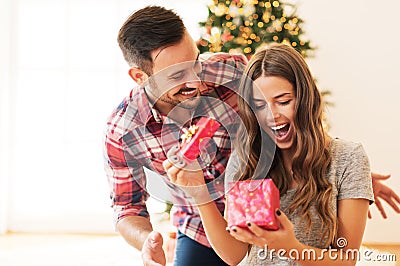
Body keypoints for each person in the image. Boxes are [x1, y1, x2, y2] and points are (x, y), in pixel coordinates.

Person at [104, 5, 400, 266]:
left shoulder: (229, 69)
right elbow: (127, 208)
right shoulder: (123, 131)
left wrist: (339, 169)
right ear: (140, 77)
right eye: (177, 75)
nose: (196, 81)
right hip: (202, 227)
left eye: (195, 63)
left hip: (277, 208)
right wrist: (148, 240)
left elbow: (288, 107)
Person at [163, 43, 373, 265]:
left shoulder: (349, 158)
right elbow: (235, 255)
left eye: (283, 102)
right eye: (259, 105)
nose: (271, 115)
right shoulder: (245, 159)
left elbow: (346, 260)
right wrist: (200, 194)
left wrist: (290, 248)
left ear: (306, 99)